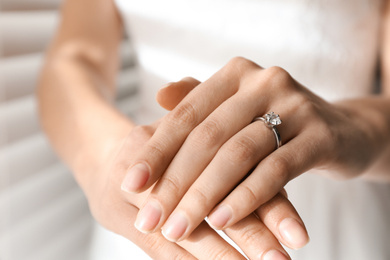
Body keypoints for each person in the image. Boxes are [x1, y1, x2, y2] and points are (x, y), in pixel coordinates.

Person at [38, 0, 390, 259]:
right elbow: (74, 59)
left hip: (339, 208)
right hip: (154, 195)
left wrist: (350, 130)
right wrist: (105, 154)